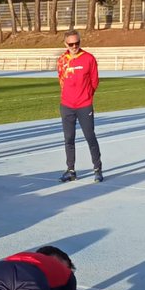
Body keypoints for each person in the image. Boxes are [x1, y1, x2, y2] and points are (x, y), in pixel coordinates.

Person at [57, 30, 102, 182]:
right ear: (65, 44)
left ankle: (97, 168)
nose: (74, 46)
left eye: (77, 43)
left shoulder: (89, 58)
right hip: (67, 106)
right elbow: (61, 80)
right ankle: (71, 170)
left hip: (84, 105)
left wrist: (86, 95)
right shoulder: (62, 60)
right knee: (69, 138)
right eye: (71, 44)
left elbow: (94, 81)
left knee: (90, 137)